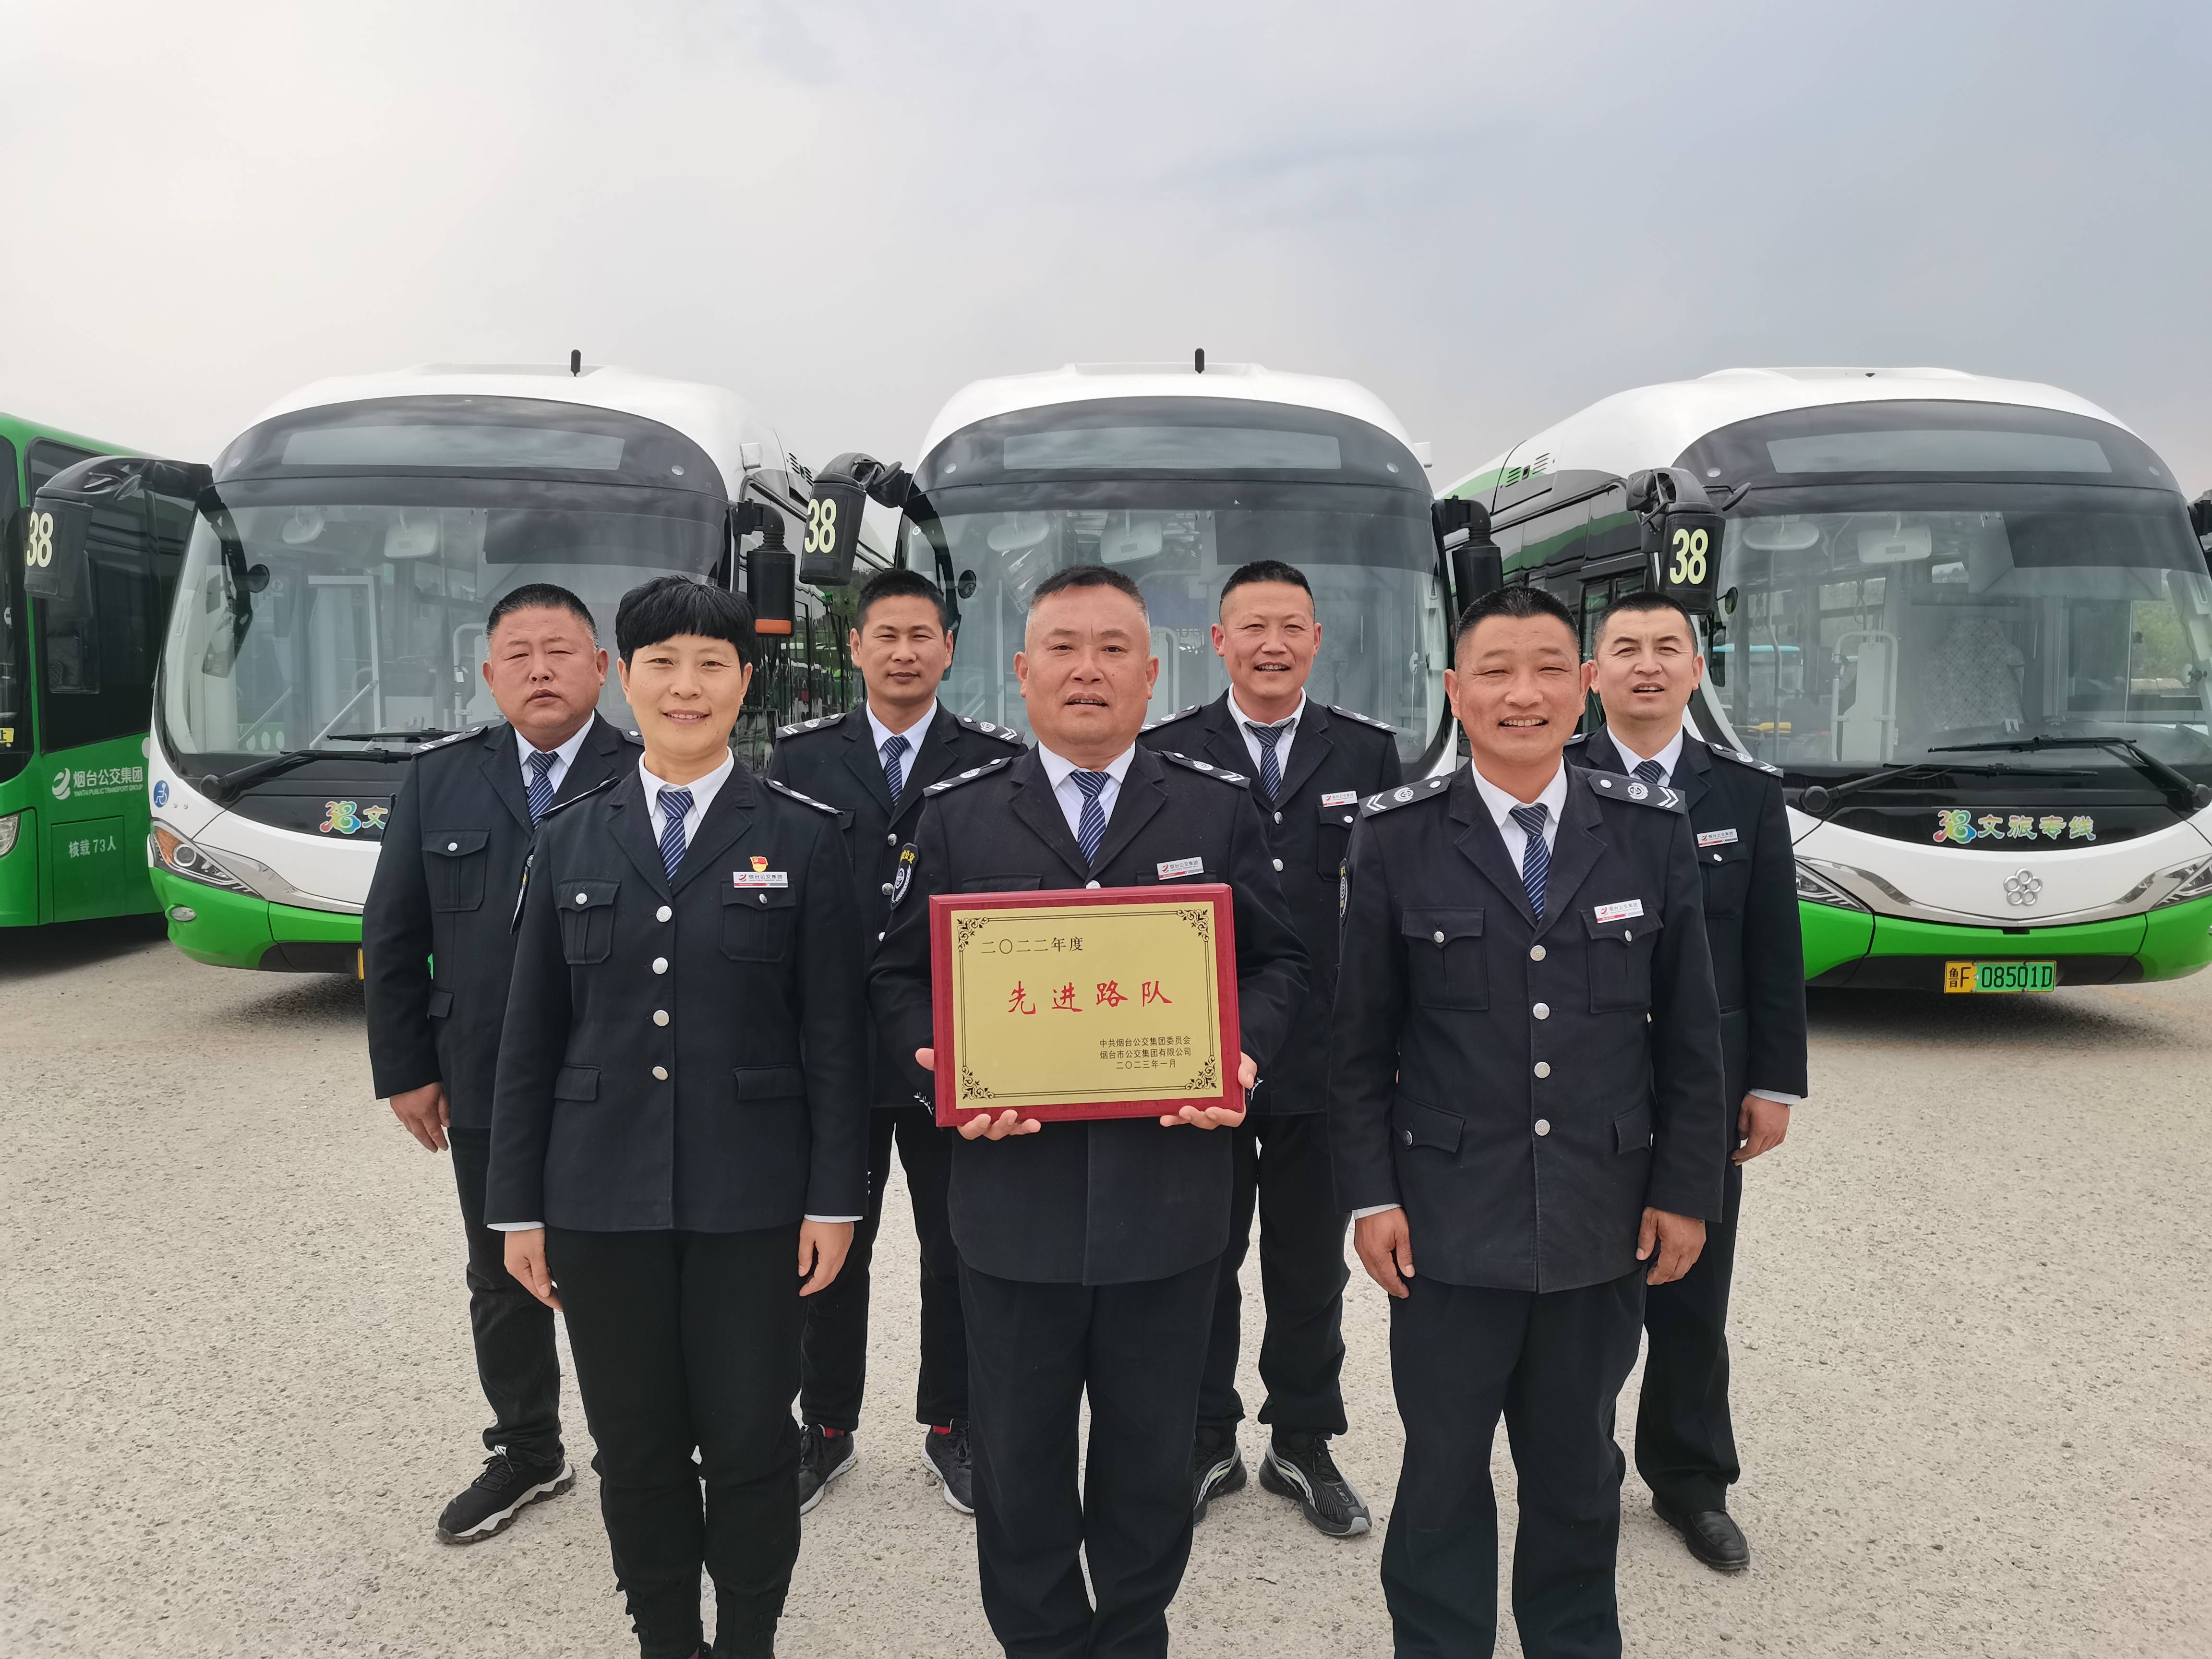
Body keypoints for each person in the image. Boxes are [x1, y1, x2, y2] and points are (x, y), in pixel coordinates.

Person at [869, 565, 1309, 1659]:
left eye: (1114, 649)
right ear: (1021, 672)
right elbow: (896, 980)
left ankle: (1131, 1636)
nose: (1088, 670)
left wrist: (1242, 1059)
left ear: (1153, 675)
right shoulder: (959, 815)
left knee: (1151, 1465)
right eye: (1063, 648)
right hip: (1011, 1208)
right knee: (1018, 1468)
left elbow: (1280, 963)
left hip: (1170, 1207)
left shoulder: (1215, 806)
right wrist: (943, 1076)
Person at [1329, 583, 1728, 1659]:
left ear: (1585, 686)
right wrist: (1371, 1197)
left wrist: (1685, 1190)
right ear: (1456, 691)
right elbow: (1358, 1046)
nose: (1524, 693)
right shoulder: (1399, 836)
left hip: (1601, 1218)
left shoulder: (1646, 831)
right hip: (1448, 1224)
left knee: (1578, 1474)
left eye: (1550, 668)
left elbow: (1691, 1038)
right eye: (1496, 671)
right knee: (1442, 1473)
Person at [488, 576, 869, 1659]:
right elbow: (529, 1041)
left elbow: (834, 1040)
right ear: (626, 679)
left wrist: (835, 1200)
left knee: (751, 1444)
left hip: (754, 1201)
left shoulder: (804, 837)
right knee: (636, 1449)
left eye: (710, 664)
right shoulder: (569, 838)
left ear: (746, 682)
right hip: (598, 1201)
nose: (686, 686)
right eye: (662, 664)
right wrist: (518, 1209)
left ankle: (746, 1639)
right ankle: (666, 1640)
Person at [362, 582, 637, 1544]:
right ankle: (527, 1450)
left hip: (614, 1077)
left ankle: (641, 1448)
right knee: (500, 1271)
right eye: (518, 655)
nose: (540, 670)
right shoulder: (439, 780)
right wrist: (405, 1067)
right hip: (480, 1071)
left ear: (601, 669)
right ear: (488, 675)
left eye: (560, 652)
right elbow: (392, 934)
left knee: (622, 1270)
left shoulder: (647, 771)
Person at [1139, 559, 1401, 1539]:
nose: (1273, 644)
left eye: (1292, 626)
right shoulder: (1169, 751)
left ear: (1317, 640)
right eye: (1253, 626)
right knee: (1200, 1256)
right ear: (1219, 642)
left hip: (1325, 1060)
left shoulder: (1367, 752)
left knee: (1310, 1268)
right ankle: (1206, 1435)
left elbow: (1394, 907)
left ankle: (1303, 1438)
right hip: (1198, 1058)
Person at [768, 566, 1026, 1515]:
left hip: (953, 1047)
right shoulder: (799, 760)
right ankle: (826, 1426)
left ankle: (954, 1423)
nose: (905, 652)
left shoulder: (994, 759)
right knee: (829, 1244)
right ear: (855, 648)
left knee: (960, 1246)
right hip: (830, 1049)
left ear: (949, 650)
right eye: (887, 635)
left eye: (923, 636)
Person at [1571, 590, 1807, 1575]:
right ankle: (1575, 1475)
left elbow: (1772, 948)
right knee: (1584, 1295)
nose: (1648, 664)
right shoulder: (1553, 777)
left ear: (1697, 670)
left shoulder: (1743, 794)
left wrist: (1775, 1083)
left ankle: (1691, 1481)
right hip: (1582, 1086)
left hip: (1704, 1087)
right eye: (1626, 648)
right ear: (1594, 675)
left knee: (1693, 1291)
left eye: (1668, 647)